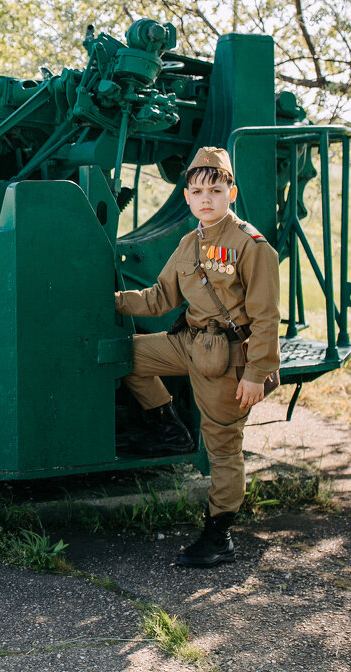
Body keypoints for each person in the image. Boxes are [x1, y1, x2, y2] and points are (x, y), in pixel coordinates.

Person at [114, 146, 280, 567]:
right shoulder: (190, 243)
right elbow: (158, 298)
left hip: (227, 358)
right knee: (123, 357)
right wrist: (109, 301)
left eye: (215, 189)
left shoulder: (252, 246)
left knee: (223, 447)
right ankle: (168, 428)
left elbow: (266, 316)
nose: (206, 198)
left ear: (232, 193)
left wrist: (257, 374)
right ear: (186, 197)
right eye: (197, 191)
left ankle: (218, 536)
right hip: (187, 343)